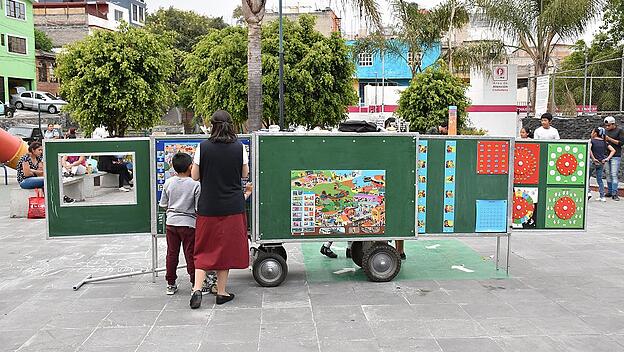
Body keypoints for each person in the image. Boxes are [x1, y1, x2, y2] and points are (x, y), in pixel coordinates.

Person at [190, 110, 251, 308]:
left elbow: (195, 176)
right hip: (233, 206)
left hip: (208, 206)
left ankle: (197, 289)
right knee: (225, 249)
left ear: (212, 125)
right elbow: (245, 173)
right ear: (231, 124)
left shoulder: (203, 147)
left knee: (204, 247)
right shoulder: (239, 147)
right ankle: (222, 292)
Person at [159, 153, 201, 295]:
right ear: (191, 167)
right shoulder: (196, 184)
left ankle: (170, 284)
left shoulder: (168, 182)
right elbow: (198, 208)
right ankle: (194, 283)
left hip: (171, 223)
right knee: (190, 254)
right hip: (189, 224)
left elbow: (163, 204)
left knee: (171, 253)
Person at [589, 127, 616, 202]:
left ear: (595, 133)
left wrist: (593, 158)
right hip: (601, 162)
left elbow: (589, 149)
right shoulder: (604, 142)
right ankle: (602, 196)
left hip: (593, 162)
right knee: (599, 179)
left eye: (593, 131)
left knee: (587, 177)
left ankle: (588, 192)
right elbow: (613, 150)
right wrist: (607, 158)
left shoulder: (592, 141)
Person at [604, 116, 624, 201]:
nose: (607, 127)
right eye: (606, 126)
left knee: (614, 174)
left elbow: (621, 143)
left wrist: (609, 139)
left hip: (616, 155)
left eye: (608, 125)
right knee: (608, 173)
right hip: (606, 155)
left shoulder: (620, 131)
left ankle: (615, 193)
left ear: (613, 124)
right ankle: (610, 191)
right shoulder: (605, 131)